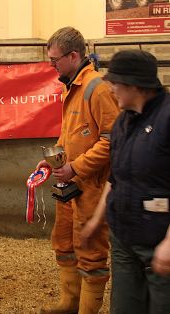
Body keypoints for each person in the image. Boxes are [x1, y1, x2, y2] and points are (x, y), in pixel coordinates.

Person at [36, 26, 120, 314]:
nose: (52, 65)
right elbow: (72, 133)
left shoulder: (97, 88)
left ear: (74, 56)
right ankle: (69, 303)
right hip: (69, 182)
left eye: (55, 60)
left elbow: (111, 140)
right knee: (63, 242)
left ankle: (87, 309)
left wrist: (76, 167)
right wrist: (54, 158)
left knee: (91, 251)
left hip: (92, 186)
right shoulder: (69, 86)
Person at [81, 49, 170, 314]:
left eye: (115, 83)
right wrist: (98, 220)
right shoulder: (122, 122)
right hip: (123, 239)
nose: (111, 89)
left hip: (159, 241)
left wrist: (169, 243)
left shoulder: (167, 119)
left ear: (134, 85)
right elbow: (115, 177)